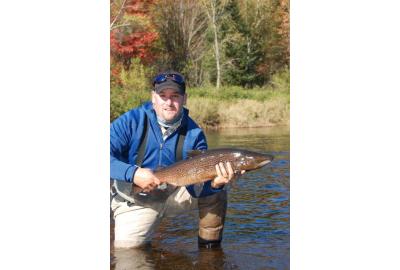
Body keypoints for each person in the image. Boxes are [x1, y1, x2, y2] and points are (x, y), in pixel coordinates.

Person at [110, 70, 244, 249]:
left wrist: (215, 184)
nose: (169, 102)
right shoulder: (130, 121)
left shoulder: (194, 133)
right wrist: (133, 174)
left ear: (184, 98)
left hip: (176, 192)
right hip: (135, 199)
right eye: (163, 96)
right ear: (153, 98)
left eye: (175, 96)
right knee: (127, 255)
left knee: (218, 191)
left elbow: (197, 190)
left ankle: (209, 250)